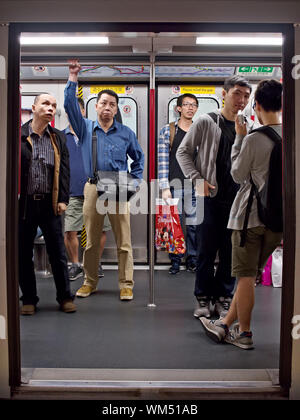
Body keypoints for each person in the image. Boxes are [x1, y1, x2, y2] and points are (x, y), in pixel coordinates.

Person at [199, 79, 283, 350]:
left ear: (256, 105)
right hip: (277, 221)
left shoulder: (255, 138)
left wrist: (239, 136)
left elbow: (236, 174)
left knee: (245, 278)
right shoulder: (291, 135)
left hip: (248, 219)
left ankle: (244, 333)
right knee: (251, 274)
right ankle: (225, 324)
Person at [64, 59, 144, 301]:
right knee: (90, 241)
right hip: (92, 187)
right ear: (95, 107)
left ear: (117, 109)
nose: (107, 107)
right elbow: (69, 105)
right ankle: (90, 282)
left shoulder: (126, 133)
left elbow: (138, 160)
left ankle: (126, 284)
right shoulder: (85, 128)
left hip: (118, 186)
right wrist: (73, 77)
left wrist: (135, 182)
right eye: (103, 103)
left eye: (112, 104)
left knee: (124, 241)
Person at [176, 76, 252, 319]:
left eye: (246, 96)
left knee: (231, 250)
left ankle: (223, 296)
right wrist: (198, 179)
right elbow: (183, 152)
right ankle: (203, 296)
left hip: (237, 198)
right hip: (210, 196)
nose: (242, 100)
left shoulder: (246, 126)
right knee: (206, 250)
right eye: (237, 94)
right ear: (225, 93)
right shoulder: (206, 122)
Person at [19, 93, 76, 315]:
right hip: (24, 204)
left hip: (50, 203)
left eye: (53, 105)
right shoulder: (20, 135)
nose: (50, 108)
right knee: (23, 253)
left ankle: (64, 297)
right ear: (34, 107)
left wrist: (63, 199)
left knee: (58, 253)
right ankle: (29, 299)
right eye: (45, 104)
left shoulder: (58, 137)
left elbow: (65, 171)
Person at [63, 97, 111, 280]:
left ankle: (94, 262)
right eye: (70, 111)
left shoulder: (95, 133)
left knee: (99, 230)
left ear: (83, 112)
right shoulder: (61, 136)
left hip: (97, 190)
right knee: (70, 231)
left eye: (77, 110)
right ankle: (75, 264)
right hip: (72, 191)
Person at [158, 93, 198, 275]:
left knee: (193, 224)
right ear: (179, 108)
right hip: (174, 184)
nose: (190, 108)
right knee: (174, 224)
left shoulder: (200, 130)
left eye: (194, 105)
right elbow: (163, 160)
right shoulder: (168, 130)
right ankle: (175, 260)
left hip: (195, 185)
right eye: (187, 104)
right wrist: (164, 187)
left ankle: (192, 258)